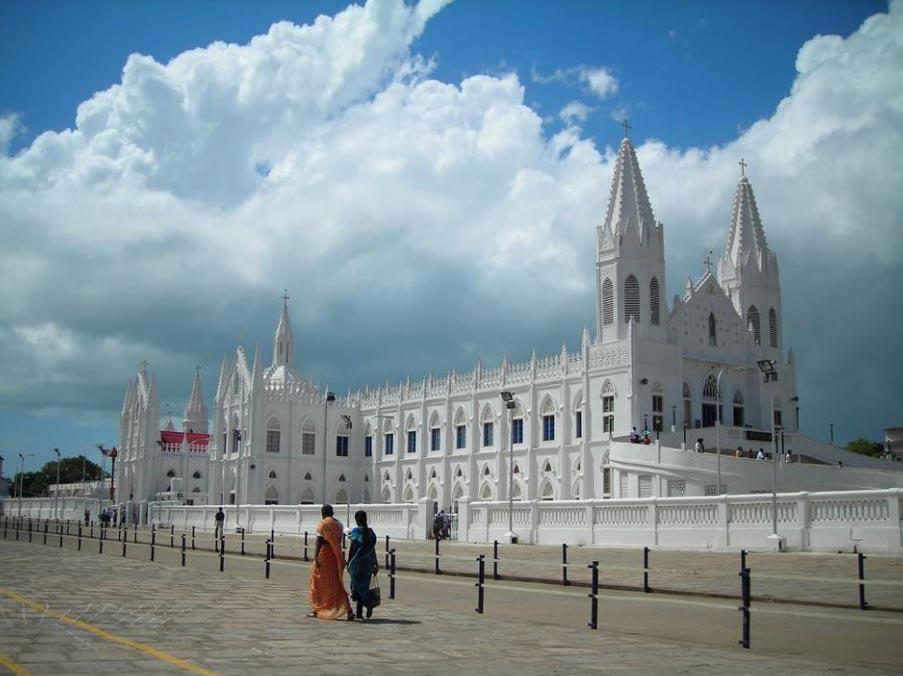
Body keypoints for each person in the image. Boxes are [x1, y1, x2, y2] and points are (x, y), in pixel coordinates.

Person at [309, 504, 353, 621]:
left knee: (317, 583)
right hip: (336, 557)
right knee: (337, 584)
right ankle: (349, 610)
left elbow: (319, 541)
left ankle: (317, 609)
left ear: (323, 513)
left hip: (324, 556)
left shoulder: (323, 524)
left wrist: (316, 557)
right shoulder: (339, 524)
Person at [346, 510, 379, 620]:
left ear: (356, 520)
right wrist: (375, 563)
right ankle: (365, 606)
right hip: (368, 564)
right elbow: (372, 550)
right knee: (363, 587)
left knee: (356, 586)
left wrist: (349, 561)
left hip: (357, 564)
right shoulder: (371, 533)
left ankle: (360, 610)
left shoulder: (356, 532)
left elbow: (352, 548)